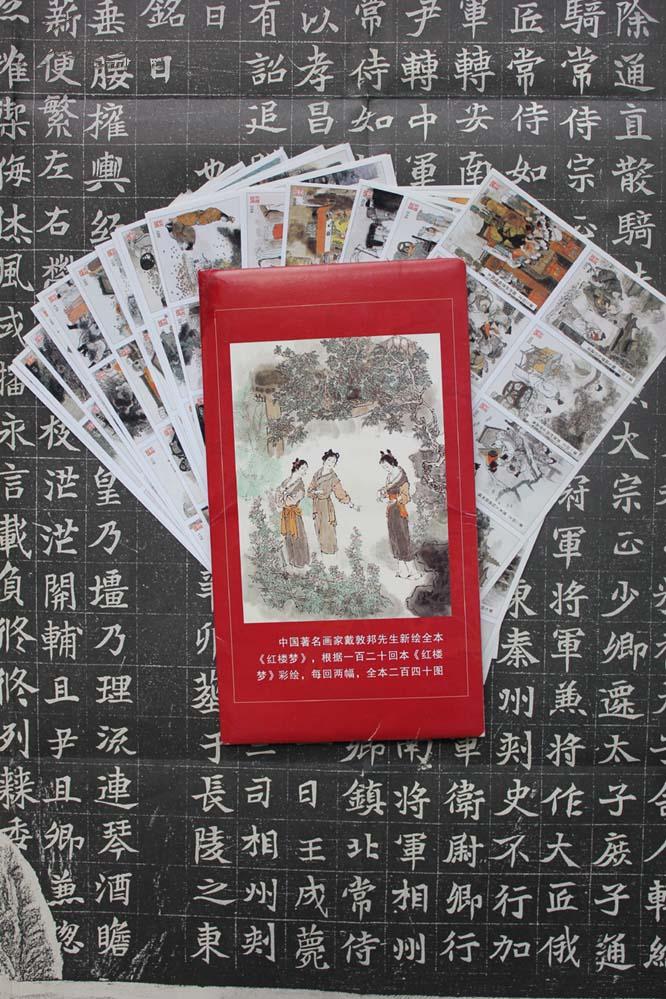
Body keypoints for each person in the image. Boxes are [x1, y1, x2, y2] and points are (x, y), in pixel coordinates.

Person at [307, 449, 353, 555]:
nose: (330, 463)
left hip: (326, 506)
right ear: (324, 460)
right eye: (329, 460)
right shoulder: (317, 473)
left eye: (333, 462)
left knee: (327, 529)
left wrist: (349, 502)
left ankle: (329, 552)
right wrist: (315, 492)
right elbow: (309, 491)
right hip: (316, 505)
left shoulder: (333, 477)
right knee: (318, 528)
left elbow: (339, 492)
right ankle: (322, 552)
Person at [377, 450, 414, 578]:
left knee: (403, 538)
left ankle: (412, 571)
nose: (385, 469)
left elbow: (406, 496)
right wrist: (381, 494)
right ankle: (402, 570)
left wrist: (395, 500)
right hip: (391, 511)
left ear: (392, 463)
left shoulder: (402, 478)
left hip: (399, 510)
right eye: (383, 467)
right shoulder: (389, 477)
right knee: (394, 539)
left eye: (386, 466)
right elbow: (388, 491)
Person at [276, 458, 310, 569]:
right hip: (285, 513)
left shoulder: (300, 485)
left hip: (294, 514)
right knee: (287, 537)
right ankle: (290, 561)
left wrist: (283, 497)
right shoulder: (286, 481)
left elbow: (292, 500)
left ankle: (300, 562)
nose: (305, 471)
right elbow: (277, 493)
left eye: (306, 469)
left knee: (297, 536)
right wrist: (281, 499)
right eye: (303, 468)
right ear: (297, 468)